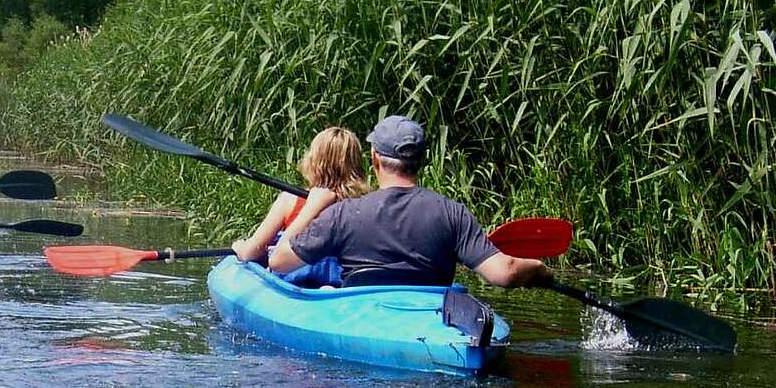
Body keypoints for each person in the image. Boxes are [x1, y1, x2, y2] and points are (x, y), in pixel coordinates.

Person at [266, 116, 551, 289]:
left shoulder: (345, 213)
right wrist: (538, 270)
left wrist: (312, 207)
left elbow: (278, 262)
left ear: (375, 158)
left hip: (360, 314)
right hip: (427, 316)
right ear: (422, 161)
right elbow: (505, 273)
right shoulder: (453, 213)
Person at [230, 127, 370, 286]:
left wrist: (240, 247)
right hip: (343, 279)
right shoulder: (366, 203)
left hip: (294, 278)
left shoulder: (290, 200)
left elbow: (252, 251)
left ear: (312, 161)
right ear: (357, 164)